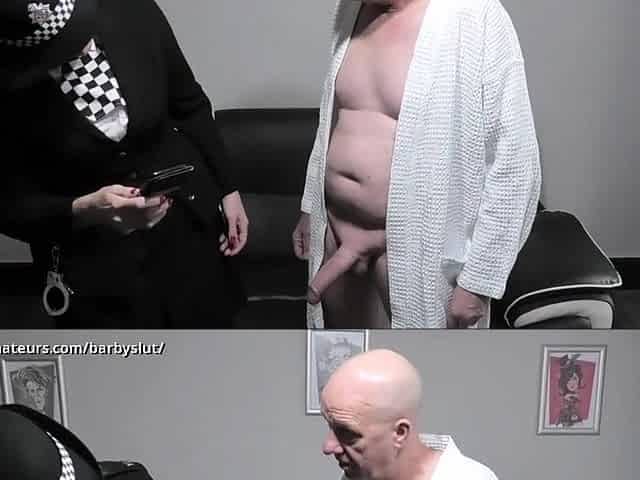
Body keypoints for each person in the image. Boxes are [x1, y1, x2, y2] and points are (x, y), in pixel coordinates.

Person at [293, 0, 541, 329]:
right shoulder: (350, 9)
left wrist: (480, 280)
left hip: (413, 251)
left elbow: (515, 159)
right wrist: (311, 206)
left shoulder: (475, 14)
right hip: (337, 234)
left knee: (422, 361)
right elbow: (332, 116)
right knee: (343, 357)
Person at [0, 0, 249, 327]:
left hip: (187, 231)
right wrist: (83, 209)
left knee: (211, 342)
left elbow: (190, 105)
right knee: (123, 356)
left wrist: (229, 189)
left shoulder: (131, 9)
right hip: (95, 266)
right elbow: (9, 205)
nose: (81, 46)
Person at [320, 349, 498, 480]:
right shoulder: (357, 475)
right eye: (330, 426)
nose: (328, 447)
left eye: (347, 433)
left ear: (400, 433)